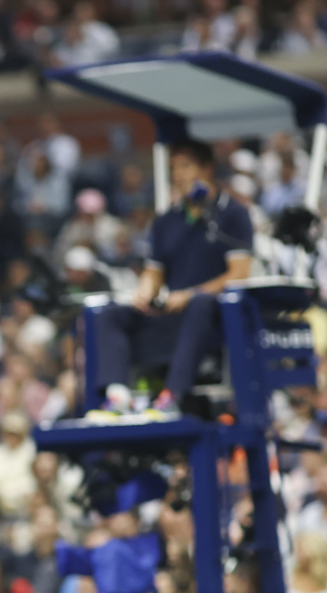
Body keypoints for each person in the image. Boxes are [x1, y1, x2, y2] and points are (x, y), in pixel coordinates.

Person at [95, 139, 252, 413]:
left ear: (207, 168)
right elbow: (154, 272)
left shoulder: (231, 214)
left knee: (201, 303)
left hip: (214, 317)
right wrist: (145, 291)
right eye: (174, 168)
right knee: (109, 314)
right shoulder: (166, 221)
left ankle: (173, 395)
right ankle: (118, 396)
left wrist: (191, 294)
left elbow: (239, 273)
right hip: (171, 313)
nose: (178, 175)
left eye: (186, 166)